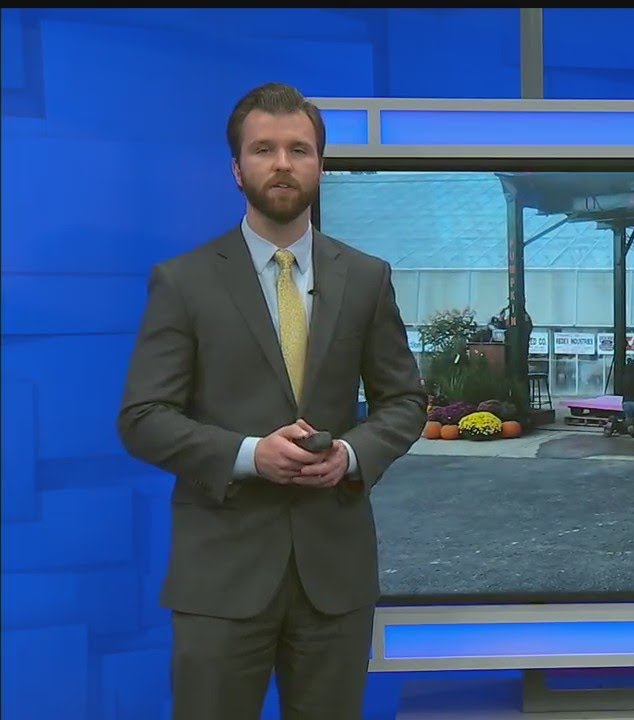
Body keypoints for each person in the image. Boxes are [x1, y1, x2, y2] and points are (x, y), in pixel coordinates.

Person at [116, 82, 427, 720]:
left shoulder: (367, 278)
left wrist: (350, 453)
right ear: (236, 169)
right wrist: (251, 455)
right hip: (221, 579)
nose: (282, 163)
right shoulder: (184, 282)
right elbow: (142, 419)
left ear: (320, 164)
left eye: (299, 149)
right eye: (264, 149)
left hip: (333, 578)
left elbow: (404, 401)